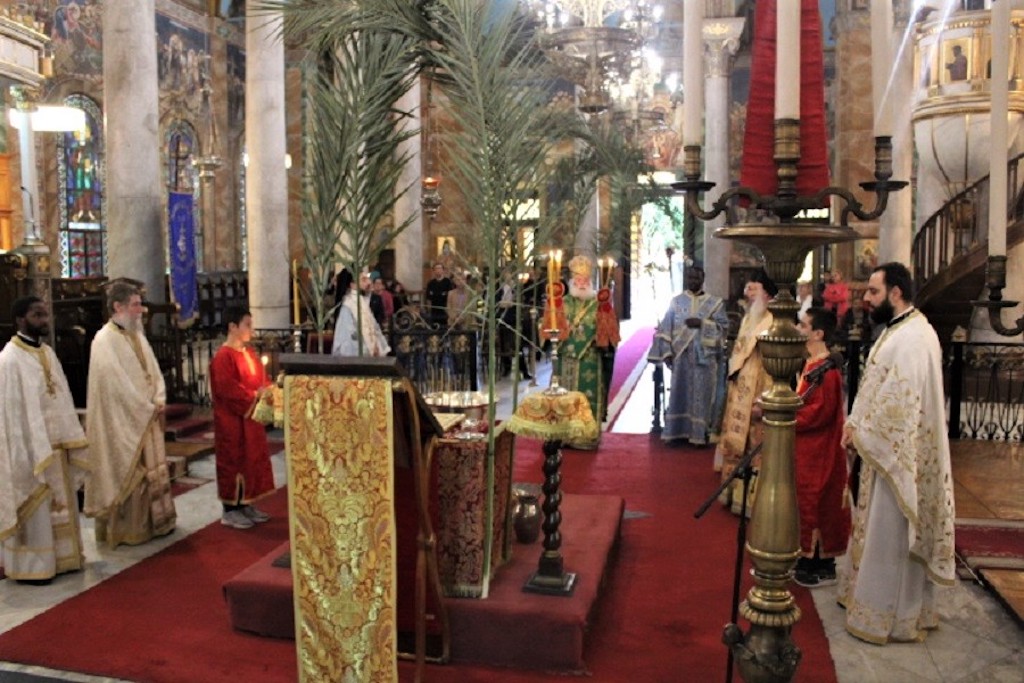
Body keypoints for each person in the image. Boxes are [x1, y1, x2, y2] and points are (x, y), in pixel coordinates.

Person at [839, 262, 955, 644]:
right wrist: (855, 423)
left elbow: (899, 404)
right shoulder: (898, 329)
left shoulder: (914, 337)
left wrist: (862, 432)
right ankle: (870, 603)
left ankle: (891, 616)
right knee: (879, 531)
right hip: (882, 451)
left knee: (890, 534)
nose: (866, 299)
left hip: (897, 455)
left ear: (895, 293)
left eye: (873, 292)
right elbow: (876, 386)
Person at [0, 296, 89, 584]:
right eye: (37, 315)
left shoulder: (48, 353)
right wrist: (29, 449)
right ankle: (34, 568)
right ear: (20, 320)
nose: (44, 320)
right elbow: (11, 413)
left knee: (61, 507)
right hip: (32, 452)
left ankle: (64, 560)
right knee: (37, 513)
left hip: (57, 447)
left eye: (45, 314)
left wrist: (70, 435)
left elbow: (62, 397)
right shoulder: (9, 359)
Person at [84, 282, 176, 548]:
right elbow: (115, 387)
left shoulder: (137, 335)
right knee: (133, 474)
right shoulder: (104, 341)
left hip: (147, 415)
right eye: (135, 305)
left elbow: (153, 371)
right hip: (125, 420)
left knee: (153, 471)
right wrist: (145, 407)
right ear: (118, 307)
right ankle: (131, 529)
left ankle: (156, 523)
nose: (141, 310)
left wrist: (159, 397)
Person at [792, 307, 851, 588]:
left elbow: (819, 413)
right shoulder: (812, 364)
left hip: (820, 449)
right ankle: (805, 558)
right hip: (807, 448)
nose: (798, 329)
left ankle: (818, 564)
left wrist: (786, 415)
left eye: (803, 326)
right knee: (806, 500)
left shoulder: (826, 370)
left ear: (818, 333)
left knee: (816, 502)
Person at [714, 270, 776, 515]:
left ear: (767, 294)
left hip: (759, 388)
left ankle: (751, 500)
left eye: (754, 289)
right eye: (748, 288)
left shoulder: (774, 322)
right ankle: (733, 493)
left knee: (755, 440)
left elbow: (773, 364)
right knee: (737, 439)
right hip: (741, 387)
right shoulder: (751, 316)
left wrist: (765, 398)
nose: (748, 293)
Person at [647, 265, 730, 445]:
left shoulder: (715, 303)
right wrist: (667, 352)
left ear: (703, 279)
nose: (693, 281)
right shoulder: (676, 302)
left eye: (696, 278)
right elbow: (665, 328)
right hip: (681, 357)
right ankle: (677, 432)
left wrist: (702, 323)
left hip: (704, 358)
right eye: (690, 278)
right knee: (679, 393)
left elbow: (723, 329)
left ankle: (699, 434)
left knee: (702, 395)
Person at [209, 306, 275, 530]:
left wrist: (269, 390)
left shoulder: (248, 352)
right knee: (233, 461)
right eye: (247, 325)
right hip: (232, 422)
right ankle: (230, 510)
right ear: (232, 327)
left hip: (250, 419)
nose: (251, 330)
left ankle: (246, 503)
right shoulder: (223, 357)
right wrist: (254, 396)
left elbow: (260, 380)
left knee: (251, 460)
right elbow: (228, 390)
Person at [551, 255, 619, 449]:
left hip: (590, 357)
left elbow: (611, 332)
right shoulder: (562, 302)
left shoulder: (599, 302)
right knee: (563, 396)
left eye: (585, 280)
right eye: (578, 279)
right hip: (565, 356)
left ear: (590, 281)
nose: (582, 283)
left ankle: (585, 437)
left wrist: (604, 329)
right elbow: (550, 326)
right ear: (572, 281)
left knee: (587, 397)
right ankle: (563, 434)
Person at [331, 269, 390, 357]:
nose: (369, 282)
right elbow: (349, 337)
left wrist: (375, 345)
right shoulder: (349, 305)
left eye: (367, 279)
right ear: (352, 285)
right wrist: (367, 349)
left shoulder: (361, 301)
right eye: (363, 280)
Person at [424, 262, 453, 327]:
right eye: (436, 269)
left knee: (444, 328)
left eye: (439, 268)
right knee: (434, 328)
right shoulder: (431, 283)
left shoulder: (448, 282)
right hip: (434, 311)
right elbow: (428, 297)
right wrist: (429, 310)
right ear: (434, 271)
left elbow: (450, 296)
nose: (438, 270)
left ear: (443, 270)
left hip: (445, 310)